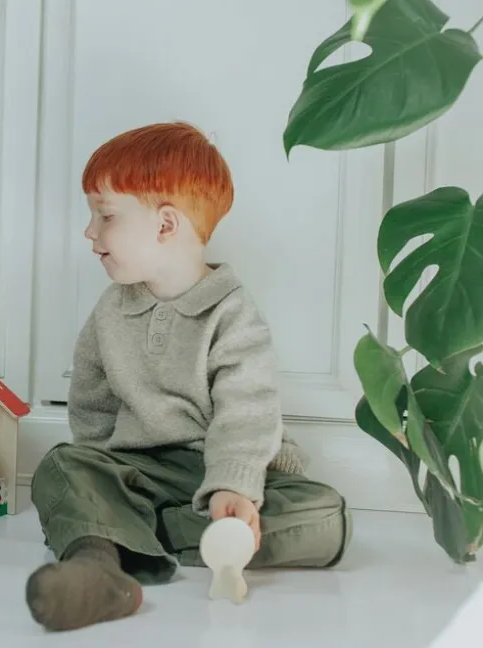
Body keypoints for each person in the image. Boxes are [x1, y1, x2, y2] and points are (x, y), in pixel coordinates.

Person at [24, 122, 352, 631]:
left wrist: (234, 487)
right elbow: (91, 405)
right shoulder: (110, 312)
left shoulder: (231, 313)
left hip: (225, 469)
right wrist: (103, 475)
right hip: (138, 472)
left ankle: (135, 533)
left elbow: (247, 410)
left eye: (105, 215)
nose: (90, 231)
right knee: (62, 466)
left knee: (326, 515)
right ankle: (97, 567)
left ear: (165, 225)